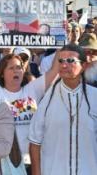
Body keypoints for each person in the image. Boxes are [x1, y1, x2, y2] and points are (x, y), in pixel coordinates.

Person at [0, 20, 59, 172]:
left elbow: (55, 69)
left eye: (19, 68)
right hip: (5, 162)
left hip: (31, 161)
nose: (16, 71)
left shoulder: (32, 89)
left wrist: (61, 39)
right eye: (11, 68)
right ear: (2, 72)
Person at [29, 44, 97, 175]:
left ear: (83, 66)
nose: (64, 65)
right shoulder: (46, 100)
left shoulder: (95, 97)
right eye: (61, 61)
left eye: (70, 61)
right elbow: (35, 143)